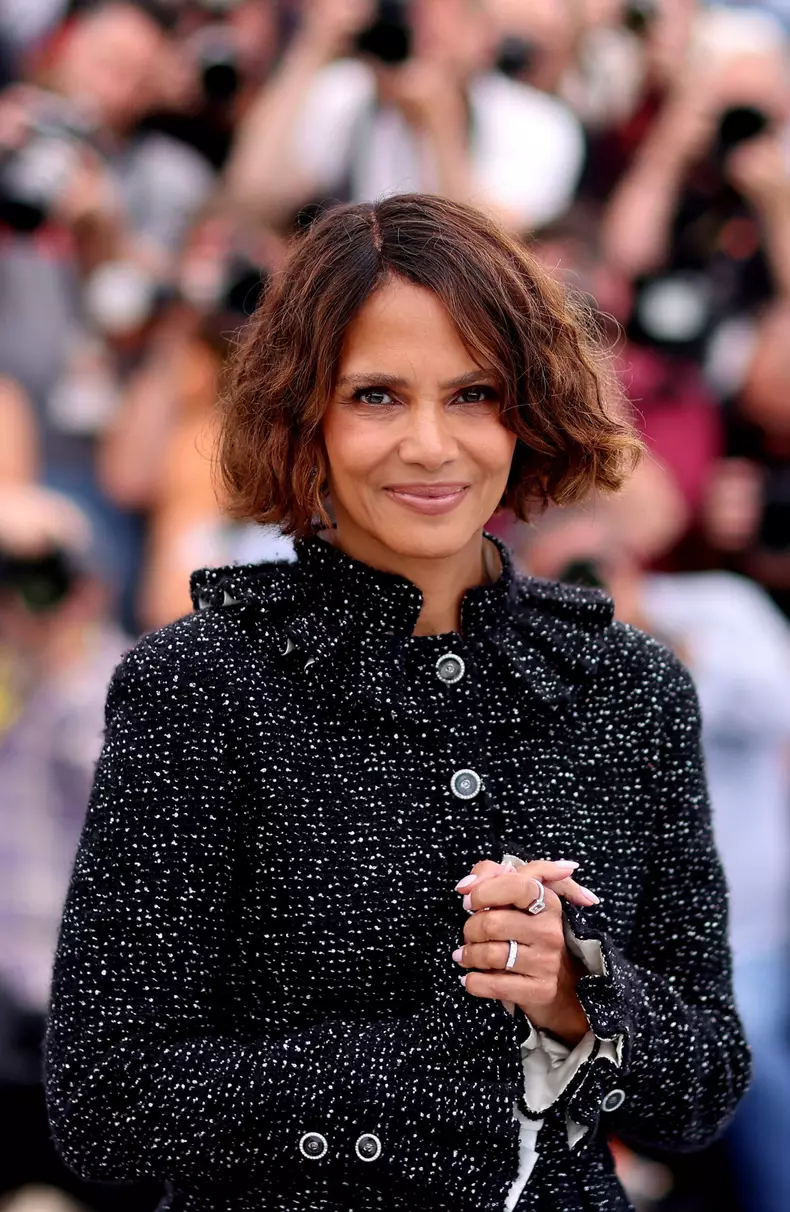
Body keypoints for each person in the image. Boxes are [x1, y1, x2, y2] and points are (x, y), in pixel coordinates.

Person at [45, 195, 749, 1211]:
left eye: (473, 395)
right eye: (377, 396)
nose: (430, 445)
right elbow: (106, 1101)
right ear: (306, 413)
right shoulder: (195, 689)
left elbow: (706, 1086)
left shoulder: (630, 689)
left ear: (530, 408)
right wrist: (418, 1070)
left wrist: (572, 993)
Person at [520, 461, 790, 1212]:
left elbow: (779, 703)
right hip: (661, 943)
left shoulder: (715, 605)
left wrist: (648, 627)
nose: (588, 584)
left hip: (767, 919)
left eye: (595, 563)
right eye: (565, 570)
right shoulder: (535, 650)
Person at [225, 0, 584, 234]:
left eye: (441, 10)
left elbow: (493, 248)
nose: (420, 21)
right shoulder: (348, 91)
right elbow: (253, 195)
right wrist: (313, 49)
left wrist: (440, 125)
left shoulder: (538, 123)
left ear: (482, 29)